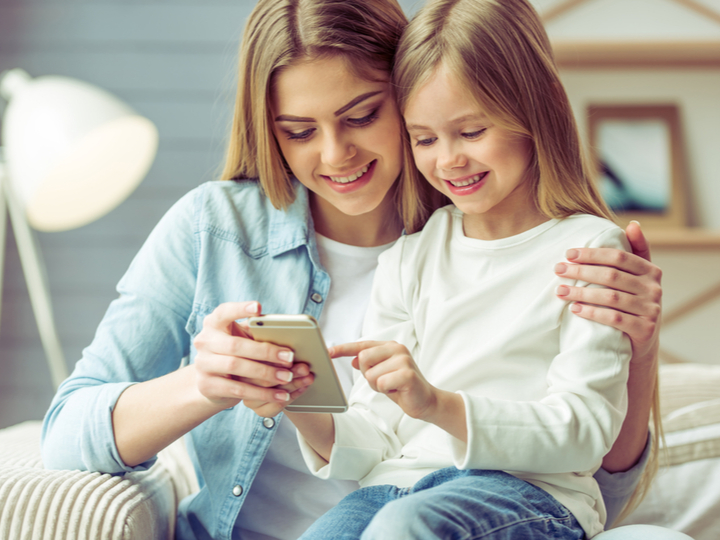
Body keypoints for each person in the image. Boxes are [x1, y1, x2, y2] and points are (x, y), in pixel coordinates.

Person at [39, 1, 662, 539]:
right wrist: (211, 384)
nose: (335, 155)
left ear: (411, 87)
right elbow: (67, 434)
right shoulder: (220, 230)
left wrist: (641, 350)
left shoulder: (489, 221)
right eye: (298, 131)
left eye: (362, 115)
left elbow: (586, 487)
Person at [280, 0, 662, 538]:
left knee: (402, 527)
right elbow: (376, 442)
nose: (448, 160)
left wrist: (438, 404)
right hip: (397, 486)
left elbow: (584, 430)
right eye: (425, 138)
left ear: (531, 113)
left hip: (529, 494)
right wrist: (298, 401)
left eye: (471, 131)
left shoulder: (590, 249)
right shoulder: (410, 258)